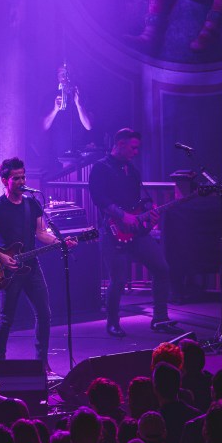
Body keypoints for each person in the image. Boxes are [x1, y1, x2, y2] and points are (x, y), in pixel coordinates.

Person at [0, 158, 77, 370]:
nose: (21, 181)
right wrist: (1, 257)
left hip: (32, 266)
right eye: (16, 178)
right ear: (5, 181)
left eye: (23, 177)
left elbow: (41, 233)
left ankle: (42, 364)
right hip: (7, 270)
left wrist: (60, 243)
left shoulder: (32, 204)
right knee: (6, 318)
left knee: (45, 315)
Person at [88, 128, 173, 337]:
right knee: (118, 280)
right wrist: (121, 215)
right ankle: (112, 323)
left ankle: (160, 319)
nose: (136, 152)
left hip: (135, 232)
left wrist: (148, 214)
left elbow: (139, 201)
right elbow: (99, 198)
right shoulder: (100, 168)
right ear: (121, 144)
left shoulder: (131, 171)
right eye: (133, 147)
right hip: (112, 231)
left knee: (161, 268)